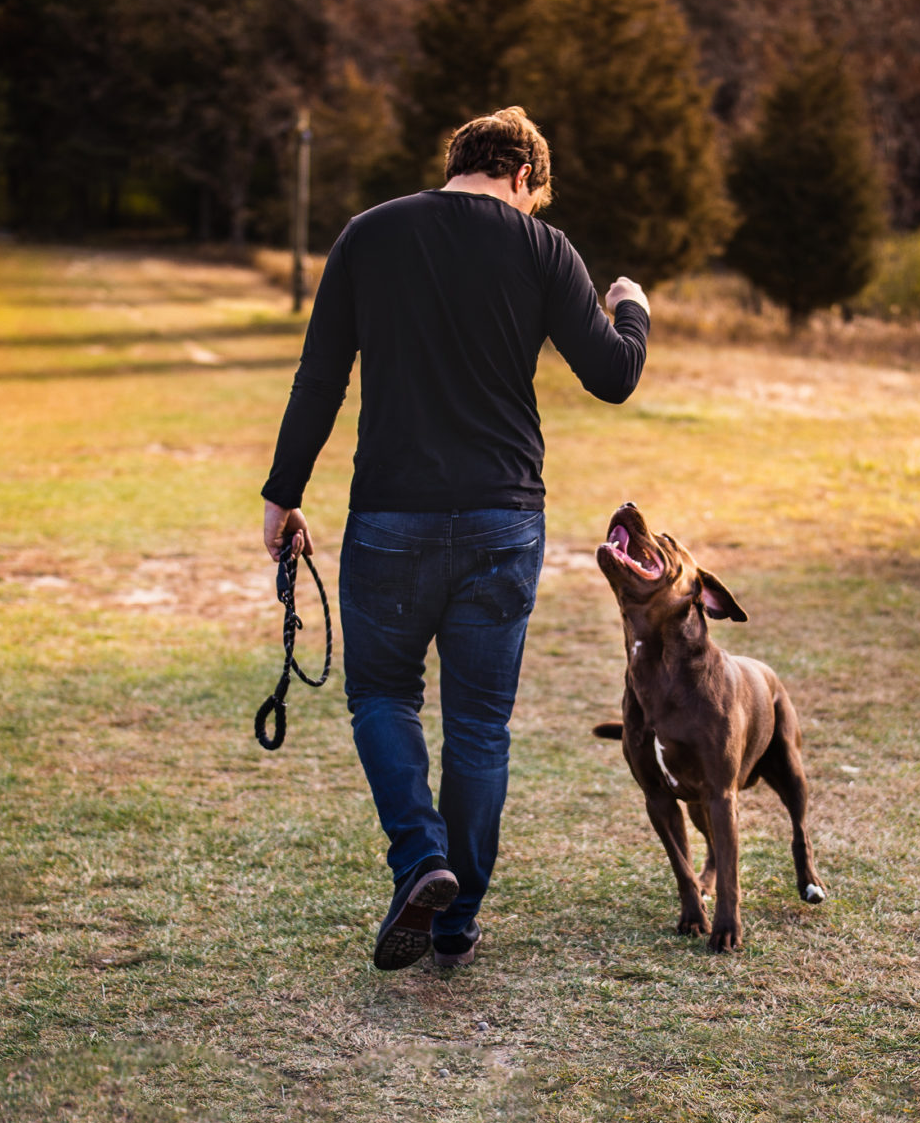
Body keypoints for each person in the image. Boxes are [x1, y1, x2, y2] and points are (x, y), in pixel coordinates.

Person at [259, 107, 649, 971]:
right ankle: (454, 916)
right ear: (523, 178)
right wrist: (632, 310)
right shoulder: (544, 250)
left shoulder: (368, 235)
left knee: (382, 699)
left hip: (390, 517)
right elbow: (614, 376)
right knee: (481, 727)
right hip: (504, 520)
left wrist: (283, 497)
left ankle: (419, 858)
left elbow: (321, 376)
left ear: (459, 162)